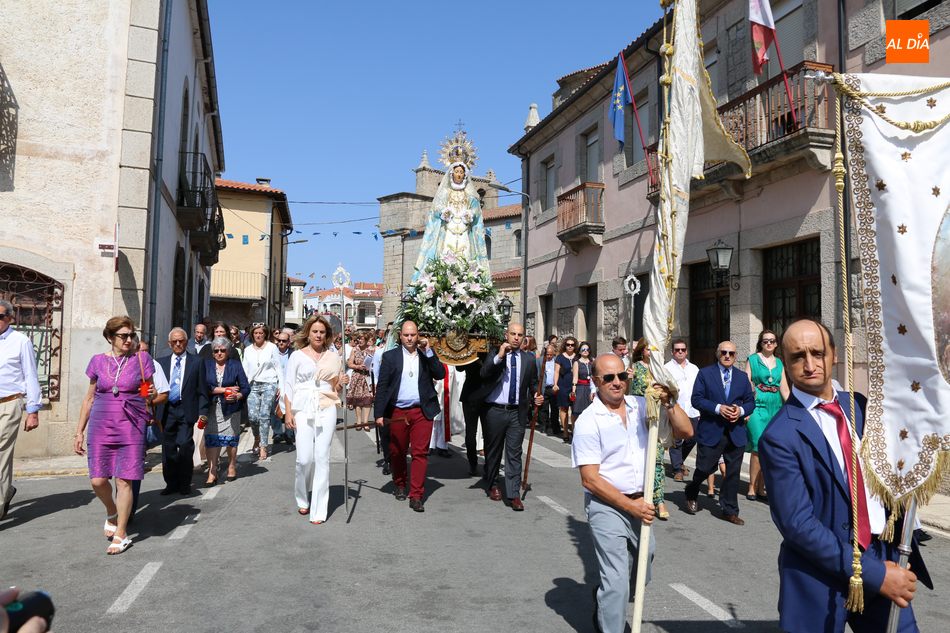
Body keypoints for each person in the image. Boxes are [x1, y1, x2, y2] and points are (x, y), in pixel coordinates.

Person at [759, 318, 930, 632]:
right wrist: (876, 575)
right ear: (785, 363)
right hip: (819, 577)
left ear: (833, 354)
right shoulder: (778, 435)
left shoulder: (861, 408)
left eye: (817, 352)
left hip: (883, 557)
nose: (810, 364)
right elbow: (798, 525)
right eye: (798, 356)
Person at [572, 352, 693, 633]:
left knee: (642, 567)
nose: (617, 382)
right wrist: (629, 507)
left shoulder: (642, 405)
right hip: (607, 504)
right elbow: (590, 480)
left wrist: (669, 402)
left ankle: (605, 600)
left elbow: (686, 431)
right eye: (608, 378)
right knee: (616, 581)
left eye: (622, 376)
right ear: (595, 381)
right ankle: (611, 618)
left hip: (642, 501)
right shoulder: (588, 421)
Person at [73, 316, 153, 554]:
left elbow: (148, 388)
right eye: (123, 336)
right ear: (110, 338)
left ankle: (121, 532)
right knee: (97, 479)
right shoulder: (97, 361)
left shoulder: (142, 358)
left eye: (131, 335)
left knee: (124, 479)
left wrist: (147, 395)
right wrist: (79, 432)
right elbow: (88, 398)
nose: (129, 340)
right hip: (101, 423)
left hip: (131, 423)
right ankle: (112, 510)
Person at [373, 320, 445, 512]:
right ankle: (399, 482)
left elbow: (439, 374)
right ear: (400, 336)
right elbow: (382, 386)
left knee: (420, 453)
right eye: (406, 335)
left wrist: (429, 351)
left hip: (422, 411)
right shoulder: (390, 357)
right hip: (397, 411)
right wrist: (379, 413)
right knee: (397, 450)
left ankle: (416, 495)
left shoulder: (425, 355)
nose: (410, 338)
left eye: (413, 335)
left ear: (418, 335)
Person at [283, 315, 347, 524]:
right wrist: (288, 413)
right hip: (302, 408)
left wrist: (342, 381)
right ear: (308, 334)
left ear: (327, 335)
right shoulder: (296, 356)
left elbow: (336, 387)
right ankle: (303, 497)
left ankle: (319, 509)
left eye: (322, 332)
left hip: (326, 406)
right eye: (315, 331)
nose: (319, 335)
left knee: (321, 458)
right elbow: (289, 386)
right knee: (304, 459)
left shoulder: (333, 356)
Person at [683, 340, 755, 525]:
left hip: (735, 431)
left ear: (735, 356)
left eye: (731, 353)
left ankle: (729, 510)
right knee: (704, 468)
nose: (727, 356)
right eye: (724, 352)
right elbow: (696, 399)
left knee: (732, 473)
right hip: (711, 430)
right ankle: (692, 490)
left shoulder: (741, 377)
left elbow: (750, 402)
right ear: (718, 353)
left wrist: (739, 411)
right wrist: (717, 408)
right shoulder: (705, 374)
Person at [478, 323, 544, 511]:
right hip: (495, 410)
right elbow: (484, 373)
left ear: (524, 338)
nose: (516, 337)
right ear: (506, 335)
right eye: (513, 334)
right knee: (494, 450)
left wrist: (536, 396)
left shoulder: (529, 359)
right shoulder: (495, 353)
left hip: (517, 412)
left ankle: (513, 494)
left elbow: (532, 383)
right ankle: (492, 484)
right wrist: (499, 356)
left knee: (514, 453)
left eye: (520, 334)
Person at [0, 299, 41, 521]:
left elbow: (31, 376)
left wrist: (32, 410)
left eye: (0, 317)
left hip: (9, 402)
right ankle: (6, 492)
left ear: (10, 318)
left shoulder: (20, 341)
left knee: (0, 455)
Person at [153, 327, 207, 495]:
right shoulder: (161, 363)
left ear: (186, 342)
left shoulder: (197, 362)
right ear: (169, 344)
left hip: (186, 409)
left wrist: (203, 412)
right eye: (174, 341)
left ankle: (185, 482)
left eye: (181, 341)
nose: (178, 344)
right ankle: (171, 483)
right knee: (168, 448)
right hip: (166, 409)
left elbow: (203, 390)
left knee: (185, 446)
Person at [744, 329, 789, 501]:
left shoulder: (779, 363)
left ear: (776, 344)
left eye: (771, 341)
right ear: (760, 343)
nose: (768, 344)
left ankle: (762, 487)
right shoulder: (753, 359)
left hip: (775, 405)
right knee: (757, 445)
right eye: (765, 341)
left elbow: (784, 389)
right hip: (757, 404)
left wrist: (793, 408)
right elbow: (746, 382)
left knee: (769, 447)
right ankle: (751, 486)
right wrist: (746, 407)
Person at [628, 338, 669, 521]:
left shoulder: (661, 368)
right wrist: (627, 378)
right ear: (642, 350)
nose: (651, 351)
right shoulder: (635, 367)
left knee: (658, 458)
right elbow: (627, 388)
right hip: (638, 415)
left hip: (657, 417)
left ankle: (659, 500)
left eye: (655, 349)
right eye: (648, 348)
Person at [202, 337, 249, 485]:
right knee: (212, 440)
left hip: (231, 409)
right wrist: (225, 390)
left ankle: (231, 465)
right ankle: (212, 470)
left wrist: (238, 395)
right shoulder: (206, 365)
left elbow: (246, 387)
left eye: (223, 350)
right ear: (212, 352)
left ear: (228, 352)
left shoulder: (235, 365)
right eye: (216, 351)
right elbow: (204, 386)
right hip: (211, 409)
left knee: (230, 440)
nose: (219, 353)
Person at [242, 323, 284, 461]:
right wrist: (243, 386)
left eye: (261, 333)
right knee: (253, 417)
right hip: (252, 385)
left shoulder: (272, 348)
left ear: (265, 334)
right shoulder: (247, 350)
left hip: (269, 383)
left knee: (264, 414)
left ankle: (263, 446)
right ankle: (257, 437)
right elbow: (245, 369)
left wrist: (280, 387)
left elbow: (278, 367)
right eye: (256, 333)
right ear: (252, 334)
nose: (258, 335)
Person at [663, 339, 699, 482]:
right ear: (672, 352)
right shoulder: (666, 368)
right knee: (676, 440)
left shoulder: (694, 368)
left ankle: (680, 461)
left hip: (693, 409)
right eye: (677, 350)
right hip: (675, 408)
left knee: (693, 437)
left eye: (683, 350)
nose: (680, 352)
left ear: (686, 351)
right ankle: (677, 469)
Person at [458, 356, 485, 476]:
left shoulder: (469, 352)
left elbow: (459, 367)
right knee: (472, 432)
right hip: (476, 394)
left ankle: (474, 464)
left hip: (478, 394)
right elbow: (459, 367)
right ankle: (474, 463)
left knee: (473, 431)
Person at [346, 331, 374, 431]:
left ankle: (365, 422)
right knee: (358, 399)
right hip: (357, 375)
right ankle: (358, 421)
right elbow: (349, 364)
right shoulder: (354, 349)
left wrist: (369, 367)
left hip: (367, 377)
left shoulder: (371, 350)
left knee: (368, 399)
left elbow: (375, 363)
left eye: (362, 339)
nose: (360, 340)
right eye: (359, 339)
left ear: (366, 340)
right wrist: (358, 366)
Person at [552, 336, 578, 442]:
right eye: (568, 345)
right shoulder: (560, 357)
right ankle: (566, 432)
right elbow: (556, 371)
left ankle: (575, 431)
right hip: (563, 385)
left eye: (572, 345)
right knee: (564, 408)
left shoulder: (578, 356)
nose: (570, 347)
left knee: (575, 410)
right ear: (565, 345)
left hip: (576, 386)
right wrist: (555, 384)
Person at [272, 329, 295, 444]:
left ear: (288, 342)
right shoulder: (272, 352)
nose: (280, 343)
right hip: (276, 385)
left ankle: (289, 433)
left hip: (290, 385)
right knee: (276, 409)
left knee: (289, 409)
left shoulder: (294, 353)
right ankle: (277, 433)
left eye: (283, 341)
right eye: (279, 340)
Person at [539, 344, 560, 436]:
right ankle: (544, 426)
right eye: (547, 354)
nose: (549, 356)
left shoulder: (556, 361)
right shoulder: (539, 361)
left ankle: (555, 427)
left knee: (555, 409)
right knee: (544, 408)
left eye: (551, 354)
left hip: (553, 388)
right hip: (544, 388)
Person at [572, 341, 595, 417]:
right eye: (583, 349)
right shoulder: (577, 362)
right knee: (579, 411)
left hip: (591, 388)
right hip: (580, 388)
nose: (585, 351)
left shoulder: (592, 361)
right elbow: (575, 377)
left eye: (587, 349)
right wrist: (573, 391)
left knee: (591, 411)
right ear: (579, 351)